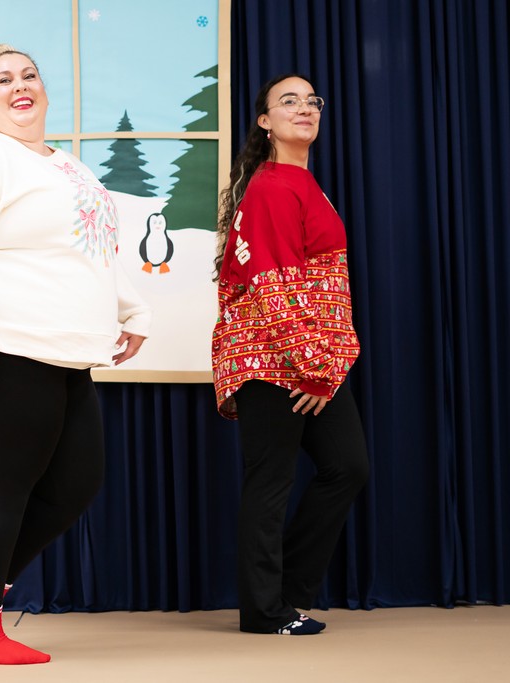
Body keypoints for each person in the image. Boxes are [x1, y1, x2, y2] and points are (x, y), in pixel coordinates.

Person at [0, 43, 151, 664]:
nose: (19, 85)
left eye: (28, 75)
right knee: (6, 489)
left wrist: (131, 310)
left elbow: (93, 249)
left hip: (63, 347)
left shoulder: (68, 166)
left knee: (77, 483)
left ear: (44, 90)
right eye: (3, 80)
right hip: (4, 344)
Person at [211, 75, 370, 635]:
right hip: (271, 359)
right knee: (271, 480)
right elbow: (272, 283)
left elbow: (321, 283)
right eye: (289, 101)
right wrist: (315, 367)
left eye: (312, 101)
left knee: (347, 466)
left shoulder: (302, 183)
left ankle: (285, 595)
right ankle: (264, 611)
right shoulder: (274, 187)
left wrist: (325, 364)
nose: (305, 108)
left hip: (309, 359)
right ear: (265, 121)